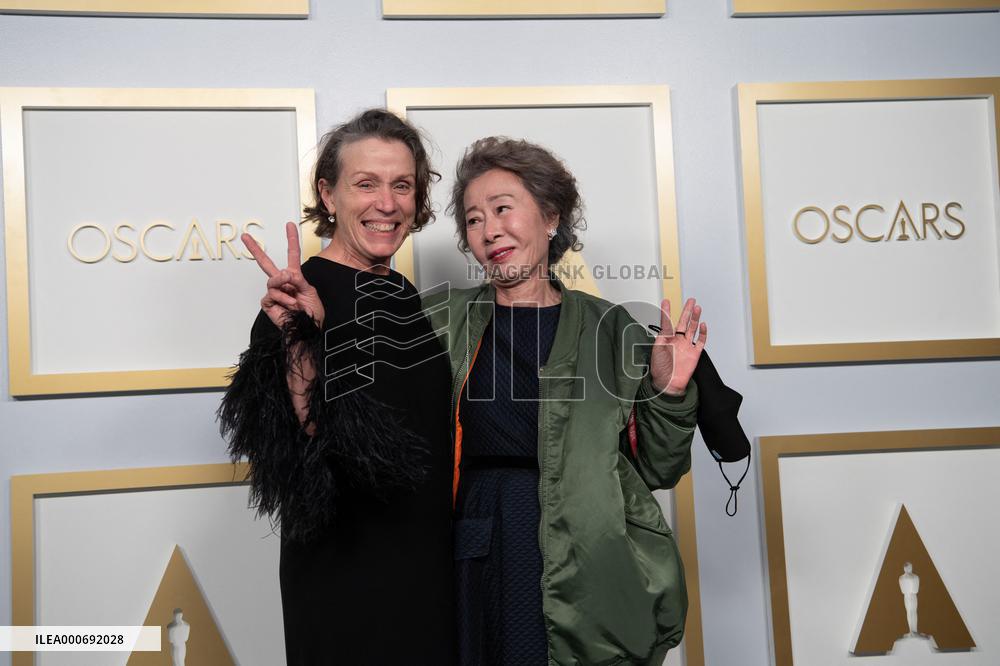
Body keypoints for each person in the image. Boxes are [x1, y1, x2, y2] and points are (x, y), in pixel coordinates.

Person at [422, 137, 707, 665]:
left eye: (503, 209)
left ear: (550, 215)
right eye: (474, 219)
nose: (489, 231)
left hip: (590, 554)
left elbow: (660, 467)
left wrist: (669, 390)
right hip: (481, 539)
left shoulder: (612, 328)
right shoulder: (439, 318)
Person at [218, 109, 454, 665]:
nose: (386, 203)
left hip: (427, 570)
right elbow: (305, 450)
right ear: (328, 194)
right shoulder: (296, 299)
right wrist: (306, 340)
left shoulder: (403, 294)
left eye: (402, 185)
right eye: (364, 183)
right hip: (346, 578)